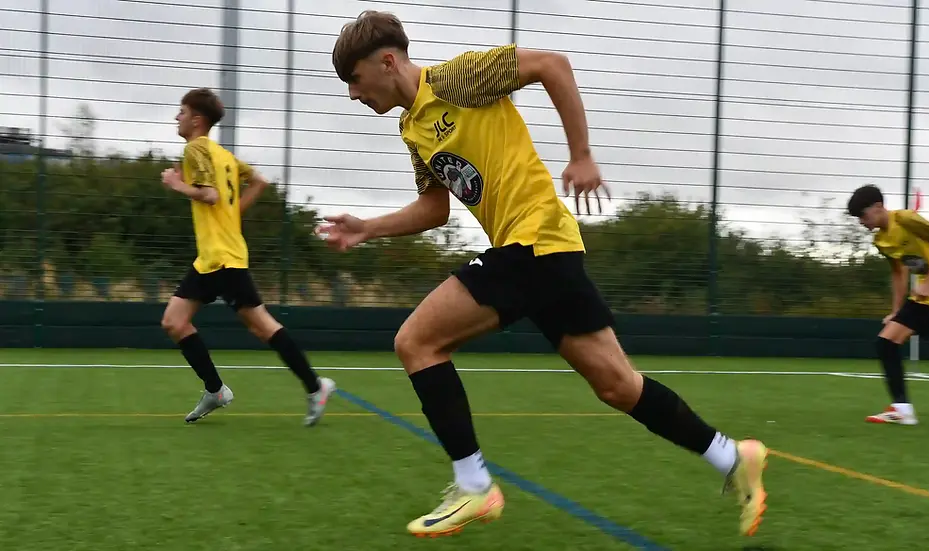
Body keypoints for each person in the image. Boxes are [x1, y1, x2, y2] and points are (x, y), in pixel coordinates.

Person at [319, 10, 768, 539]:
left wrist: (580, 155)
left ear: (387, 61)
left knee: (415, 342)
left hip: (532, 242)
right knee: (618, 386)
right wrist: (369, 227)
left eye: (353, 79)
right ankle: (732, 458)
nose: (352, 94)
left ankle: (474, 487)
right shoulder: (411, 128)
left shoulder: (459, 77)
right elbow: (434, 210)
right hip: (547, 251)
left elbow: (553, 65)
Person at [159, 87, 337, 426]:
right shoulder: (222, 155)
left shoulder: (195, 148)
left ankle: (316, 387)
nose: (176, 117)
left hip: (223, 259)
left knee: (262, 327)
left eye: (181, 112)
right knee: (174, 321)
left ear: (197, 119)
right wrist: (233, 215)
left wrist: (176, 184)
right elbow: (259, 181)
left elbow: (209, 195)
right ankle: (215, 390)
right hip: (212, 258)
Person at [847, 184, 929, 425]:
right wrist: (896, 311)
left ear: (878, 207)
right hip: (925, 300)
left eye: (863, 215)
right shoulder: (881, 240)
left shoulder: (907, 219)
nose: (861, 222)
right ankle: (902, 410)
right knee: (886, 342)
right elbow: (898, 273)